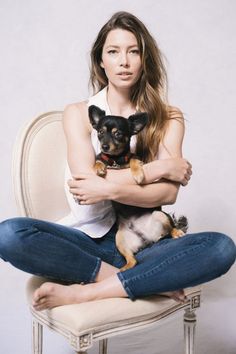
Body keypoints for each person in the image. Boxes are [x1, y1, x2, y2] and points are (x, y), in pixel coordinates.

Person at [0, 11, 235, 311]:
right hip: (87, 241)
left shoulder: (168, 117)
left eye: (133, 51)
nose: (123, 61)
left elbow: (168, 194)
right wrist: (159, 168)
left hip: (148, 241)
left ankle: (89, 291)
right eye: (113, 52)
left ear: (144, 59)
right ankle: (133, 279)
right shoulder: (78, 113)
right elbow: (86, 186)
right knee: (8, 234)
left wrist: (108, 187)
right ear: (100, 60)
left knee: (221, 248)